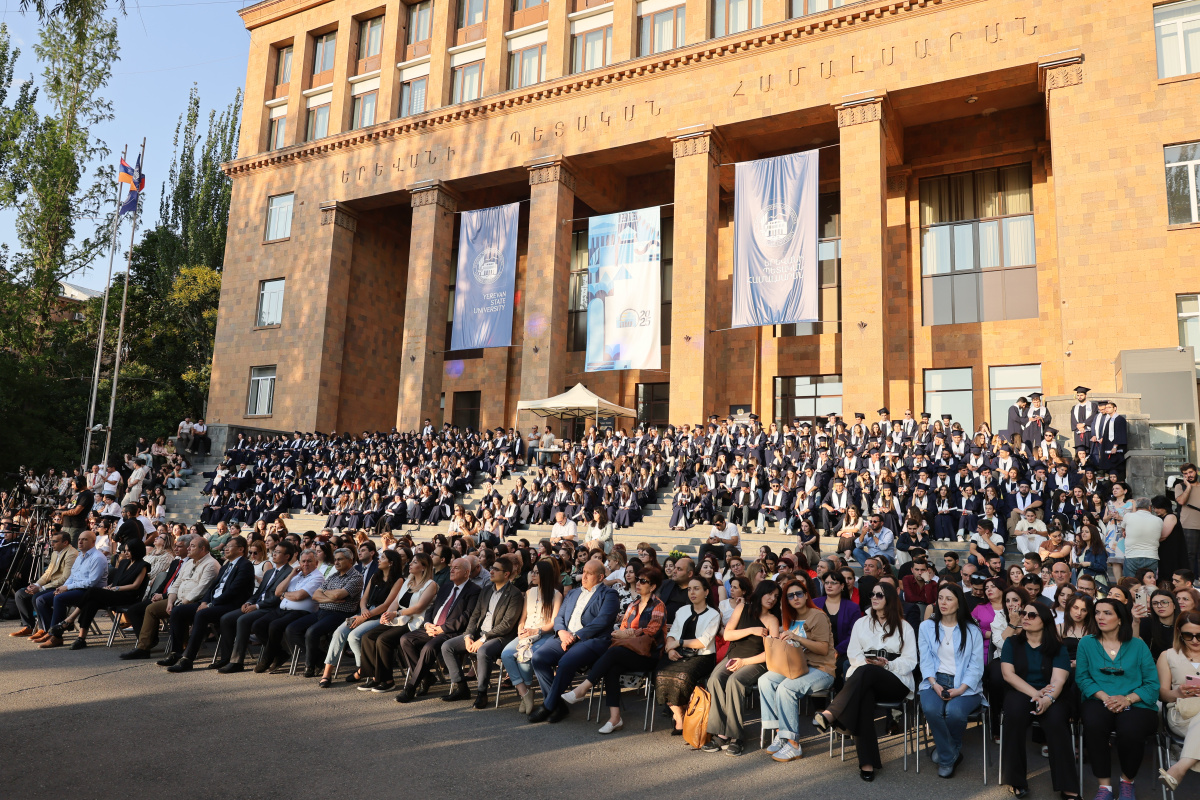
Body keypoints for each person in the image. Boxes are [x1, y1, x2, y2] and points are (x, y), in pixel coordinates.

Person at [814, 581, 918, 782]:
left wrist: (886, 665)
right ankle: (867, 763)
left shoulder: (904, 627)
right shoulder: (861, 623)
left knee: (868, 671)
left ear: (890, 598)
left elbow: (910, 661)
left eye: (880, 595)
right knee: (864, 697)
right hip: (864, 678)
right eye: (872, 594)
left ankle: (832, 713)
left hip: (895, 681)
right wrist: (870, 664)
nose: (874, 598)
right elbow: (853, 654)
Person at [560, 566, 666, 733]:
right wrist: (624, 633)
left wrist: (631, 633)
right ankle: (615, 718)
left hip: (648, 655)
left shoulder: (658, 605)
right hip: (629, 651)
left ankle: (583, 689)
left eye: (643, 581)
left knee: (614, 653)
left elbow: (652, 630)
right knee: (612, 668)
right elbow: (622, 628)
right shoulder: (633, 605)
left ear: (652, 586)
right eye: (638, 579)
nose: (638, 583)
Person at [1076, 598, 1161, 799]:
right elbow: (1082, 678)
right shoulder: (1086, 643)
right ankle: (1104, 787)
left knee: (1131, 730)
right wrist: (1106, 698)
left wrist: (1127, 699)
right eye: (1097, 612)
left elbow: (1152, 683)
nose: (1100, 617)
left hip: (1136, 702)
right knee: (1094, 724)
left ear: (1121, 618)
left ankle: (1127, 781)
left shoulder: (1138, 645)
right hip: (1099, 699)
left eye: (1107, 613)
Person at [999, 600, 1078, 800]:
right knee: (1014, 715)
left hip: (1052, 692)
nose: (1025, 617)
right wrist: (1035, 693)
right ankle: (1015, 779)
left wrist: (1048, 698)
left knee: (1057, 721)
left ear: (1044, 621)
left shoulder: (1057, 647)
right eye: (1024, 613)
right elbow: (1008, 675)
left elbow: (1059, 679)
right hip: (1021, 690)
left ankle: (1067, 785)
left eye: (1032, 615)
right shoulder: (1012, 643)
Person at [527, 560, 619, 723]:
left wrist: (575, 636)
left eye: (589, 573)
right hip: (564, 637)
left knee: (566, 661)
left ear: (600, 577)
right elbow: (559, 617)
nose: (584, 576)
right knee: (538, 658)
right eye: (584, 572)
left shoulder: (609, 594)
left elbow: (602, 621)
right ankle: (559, 706)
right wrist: (561, 632)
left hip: (590, 640)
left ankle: (548, 706)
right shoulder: (573, 593)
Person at [760, 577, 836, 763]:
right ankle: (781, 733)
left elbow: (823, 649)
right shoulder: (791, 617)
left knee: (786, 688)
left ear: (806, 595)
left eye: (798, 594)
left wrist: (797, 638)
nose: (795, 598)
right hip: (797, 667)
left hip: (821, 669)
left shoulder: (817, 616)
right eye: (790, 595)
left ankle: (794, 745)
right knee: (765, 680)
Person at [701, 580, 781, 756]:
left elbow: (772, 654)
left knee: (735, 681)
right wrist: (752, 630)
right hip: (733, 656)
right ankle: (721, 733)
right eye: (769, 594)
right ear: (760, 592)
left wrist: (744, 662)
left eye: (776, 596)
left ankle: (736, 736)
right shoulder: (742, 608)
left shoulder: (772, 620)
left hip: (756, 661)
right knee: (715, 679)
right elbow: (728, 634)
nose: (772, 599)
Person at [917, 583, 985, 778]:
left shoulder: (972, 631)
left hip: (965, 683)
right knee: (932, 709)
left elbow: (976, 666)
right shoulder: (926, 627)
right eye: (940, 598)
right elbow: (925, 660)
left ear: (959, 603)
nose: (943, 603)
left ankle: (946, 752)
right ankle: (950, 756)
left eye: (949, 599)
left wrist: (961, 689)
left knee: (954, 712)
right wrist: (934, 684)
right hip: (934, 680)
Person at [440, 555, 523, 708]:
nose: (491, 572)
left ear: (506, 574)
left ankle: (482, 693)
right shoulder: (486, 590)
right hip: (479, 634)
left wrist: (483, 639)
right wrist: (468, 636)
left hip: (500, 637)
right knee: (447, 646)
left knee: (483, 651)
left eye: (495, 569)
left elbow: (507, 625)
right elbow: (475, 615)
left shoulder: (515, 594)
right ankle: (462, 688)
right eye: (491, 568)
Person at [394, 558, 481, 702]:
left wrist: (442, 629)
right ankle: (426, 677)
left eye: (456, 568)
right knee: (406, 639)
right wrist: (427, 624)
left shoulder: (474, 590)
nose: (451, 570)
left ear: (466, 572)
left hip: (452, 632)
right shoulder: (446, 586)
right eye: (451, 567)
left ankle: (410, 688)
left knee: (429, 647)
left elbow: (467, 617)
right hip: (433, 627)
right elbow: (431, 607)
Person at [166, 536, 256, 671]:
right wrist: (204, 601)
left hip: (230, 605)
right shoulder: (227, 565)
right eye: (226, 546)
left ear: (241, 549)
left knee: (202, 614)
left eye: (229, 546)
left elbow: (233, 591)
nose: (225, 549)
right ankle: (176, 653)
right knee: (178, 611)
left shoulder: (245, 565)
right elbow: (212, 587)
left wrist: (210, 604)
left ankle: (187, 659)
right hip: (214, 603)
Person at [317, 549, 405, 687]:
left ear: (391, 563)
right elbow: (364, 598)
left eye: (382, 558)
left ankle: (364, 669)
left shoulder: (399, 580)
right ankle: (327, 674)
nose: (379, 560)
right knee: (339, 632)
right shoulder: (375, 575)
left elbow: (387, 604)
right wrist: (363, 610)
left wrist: (365, 617)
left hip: (381, 616)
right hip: (365, 612)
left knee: (354, 636)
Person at [356, 553, 439, 691]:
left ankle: (388, 680)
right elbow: (396, 602)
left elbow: (419, 608)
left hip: (416, 622)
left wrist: (396, 613)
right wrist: (387, 614)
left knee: (383, 639)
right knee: (368, 636)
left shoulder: (431, 584)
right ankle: (375, 677)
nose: (410, 564)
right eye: (411, 562)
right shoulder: (408, 581)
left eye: (415, 562)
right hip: (401, 619)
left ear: (424, 567)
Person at [214, 542, 296, 672]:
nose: (274, 554)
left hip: (271, 608)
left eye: (278, 552)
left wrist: (257, 606)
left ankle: (237, 662)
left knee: (243, 620)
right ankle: (226, 658)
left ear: (287, 556)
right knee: (226, 618)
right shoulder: (269, 572)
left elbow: (277, 598)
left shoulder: (290, 573)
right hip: (257, 605)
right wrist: (249, 602)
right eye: (274, 551)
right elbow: (258, 593)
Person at [657, 575, 721, 735]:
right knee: (660, 674)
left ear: (706, 592)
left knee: (683, 677)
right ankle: (679, 714)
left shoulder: (714, 614)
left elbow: (703, 642)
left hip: (702, 657)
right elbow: (672, 633)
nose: (692, 592)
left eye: (696, 589)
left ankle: (685, 710)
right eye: (690, 589)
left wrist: (678, 643)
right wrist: (670, 649)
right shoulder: (682, 611)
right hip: (677, 654)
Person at [501, 558, 563, 715]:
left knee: (525, 656)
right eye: (532, 572)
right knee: (506, 654)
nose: (532, 575)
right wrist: (520, 629)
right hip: (526, 633)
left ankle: (527, 690)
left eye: (536, 573)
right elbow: (523, 618)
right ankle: (525, 693)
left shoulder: (556, 595)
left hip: (544, 634)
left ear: (545, 575)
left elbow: (553, 623)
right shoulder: (529, 592)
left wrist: (536, 631)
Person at [64, 539, 150, 649]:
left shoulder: (142, 565)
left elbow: (135, 586)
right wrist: (110, 586)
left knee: (92, 591)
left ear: (136, 551)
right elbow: (117, 581)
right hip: (116, 594)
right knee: (91, 602)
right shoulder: (124, 562)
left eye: (129, 551)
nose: (126, 553)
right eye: (125, 550)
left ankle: (71, 618)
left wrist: (116, 588)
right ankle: (81, 638)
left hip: (128, 597)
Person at [253, 548, 326, 672]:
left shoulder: (317, 577)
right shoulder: (296, 575)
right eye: (303, 561)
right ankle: (280, 654)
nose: (305, 564)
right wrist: (291, 574)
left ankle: (267, 659)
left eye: (309, 561)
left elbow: (299, 596)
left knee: (275, 626)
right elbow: (277, 592)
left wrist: (284, 594)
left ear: (316, 563)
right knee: (258, 625)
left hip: (301, 612)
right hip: (282, 609)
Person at [34, 530, 108, 648]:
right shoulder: (80, 556)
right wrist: (62, 587)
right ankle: (50, 630)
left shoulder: (97, 557)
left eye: (85, 539)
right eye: (79, 539)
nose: (80, 542)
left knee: (59, 598)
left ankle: (56, 636)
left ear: (93, 542)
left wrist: (67, 587)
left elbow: (91, 583)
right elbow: (72, 576)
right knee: (41, 599)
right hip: (76, 588)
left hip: (91, 593)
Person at [1156, 610, 1200, 792]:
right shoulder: (1168, 656)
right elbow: (1162, 694)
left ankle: (1178, 769)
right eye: (1189, 635)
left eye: (1199, 635)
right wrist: (1178, 693)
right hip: (1181, 713)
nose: (1195, 640)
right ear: (1179, 633)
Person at [11, 531, 77, 638]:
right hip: (53, 585)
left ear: (65, 542)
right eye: (51, 541)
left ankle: (45, 629)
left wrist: (41, 588)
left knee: (38, 598)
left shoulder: (71, 554)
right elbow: (48, 573)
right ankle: (29, 626)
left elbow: (65, 578)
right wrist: (36, 585)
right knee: (20, 594)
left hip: (64, 587)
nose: (51, 544)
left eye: (55, 541)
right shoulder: (56, 552)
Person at [813, 569, 862, 676]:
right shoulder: (815, 603)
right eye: (826, 583)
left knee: (839, 666)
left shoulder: (852, 608)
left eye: (833, 583)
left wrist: (837, 651)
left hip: (842, 651)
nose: (829, 586)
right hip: (817, 650)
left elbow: (853, 635)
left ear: (842, 586)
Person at [1123, 497, 1164, 576]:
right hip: (1151, 555)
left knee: (1131, 582)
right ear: (1149, 507)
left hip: (1132, 555)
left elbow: (1123, 530)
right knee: (1149, 582)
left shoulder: (1128, 516)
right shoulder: (1159, 520)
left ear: (1136, 507)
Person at [1173, 464, 1200, 575]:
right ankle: (1190, 579)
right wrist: (1188, 487)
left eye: (1191, 472)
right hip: (1189, 525)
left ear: (1196, 471)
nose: (1189, 475)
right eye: (1185, 474)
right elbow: (1181, 501)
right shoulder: (1180, 486)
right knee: (1190, 555)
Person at [1142, 589, 1180, 662]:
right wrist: (1135, 622)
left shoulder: (1183, 624)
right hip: (1152, 665)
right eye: (1155, 603)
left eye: (1164, 602)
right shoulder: (1146, 623)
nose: (1159, 606)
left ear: (1174, 605)